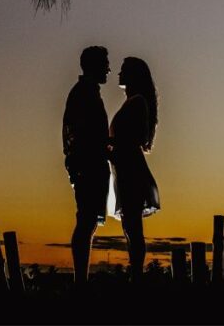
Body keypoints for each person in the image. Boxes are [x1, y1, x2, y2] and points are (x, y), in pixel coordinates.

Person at [62, 45, 111, 284]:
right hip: (88, 167)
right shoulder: (83, 93)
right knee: (85, 222)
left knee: (88, 222)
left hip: (90, 166)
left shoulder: (88, 91)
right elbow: (78, 134)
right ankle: (80, 280)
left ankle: (81, 279)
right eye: (105, 64)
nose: (109, 70)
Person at [109, 56, 160, 282]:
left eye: (123, 70)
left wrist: (106, 146)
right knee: (130, 227)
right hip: (124, 168)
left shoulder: (137, 102)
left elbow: (133, 138)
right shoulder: (133, 101)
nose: (118, 74)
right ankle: (135, 276)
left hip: (130, 169)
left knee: (133, 228)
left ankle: (136, 278)